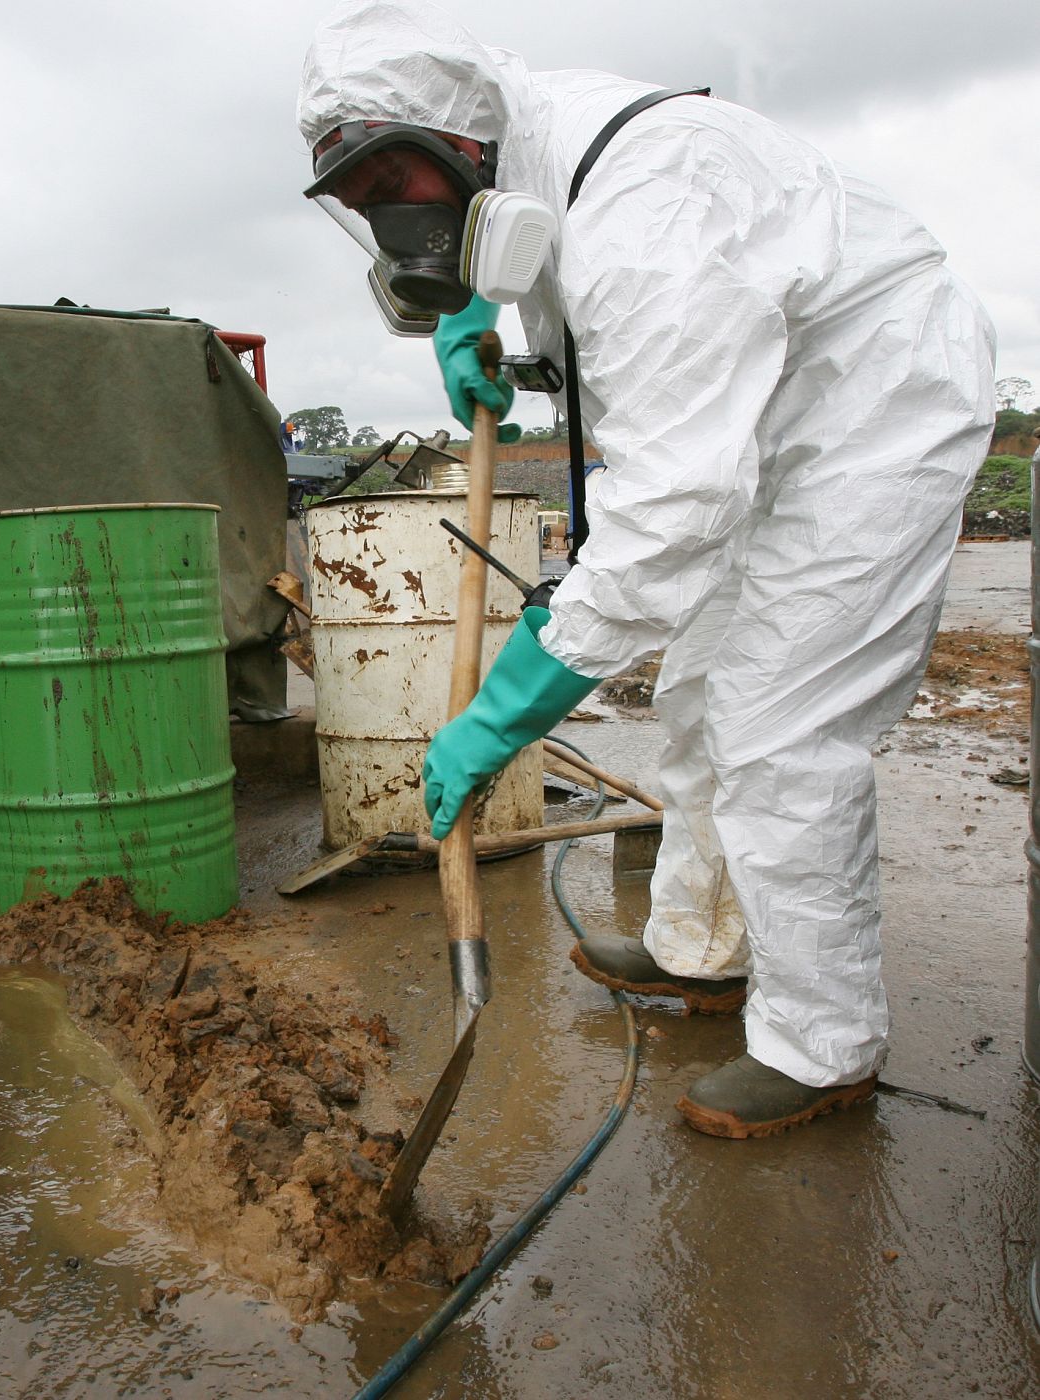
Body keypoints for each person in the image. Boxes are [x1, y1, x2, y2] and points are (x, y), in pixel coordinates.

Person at [299, 2, 996, 1137]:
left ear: (456, 145)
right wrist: (478, 304)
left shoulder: (646, 207)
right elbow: (561, 283)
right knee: (697, 691)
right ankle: (702, 948)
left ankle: (820, 1043)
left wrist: (505, 709)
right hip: (758, 417)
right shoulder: (519, 151)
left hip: (866, 412)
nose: (388, 217)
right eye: (362, 196)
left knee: (778, 725)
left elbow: (669, 504)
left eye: (399, 184)